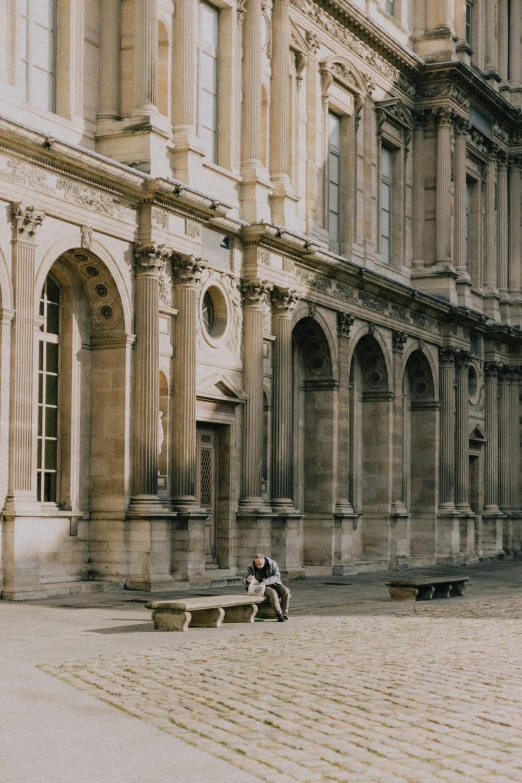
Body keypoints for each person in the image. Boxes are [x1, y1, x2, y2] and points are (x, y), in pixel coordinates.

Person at [245, 553, 290, 622]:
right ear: (254, 561)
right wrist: (247, 580)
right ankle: (278, 614)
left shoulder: (272, 563)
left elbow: (277, 576)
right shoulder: (251, 566)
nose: (259, 566)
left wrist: (265, 582)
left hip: (274, 584)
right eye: (257, 564)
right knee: (272, 592)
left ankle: (284, 612)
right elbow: (245, 579)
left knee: (285, 590)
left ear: (264, 561)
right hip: (258, 587)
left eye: (261, 564)